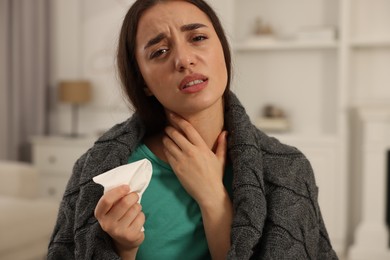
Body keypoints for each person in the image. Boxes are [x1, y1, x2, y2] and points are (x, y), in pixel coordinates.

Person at [47, 0, 338, 259]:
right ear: (143, 81)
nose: (184, 60)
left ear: (222, 50)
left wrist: (213, 198)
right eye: (159, 51)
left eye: (198, 38)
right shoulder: (99, 174)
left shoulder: (289, 170)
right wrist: (123, 249)